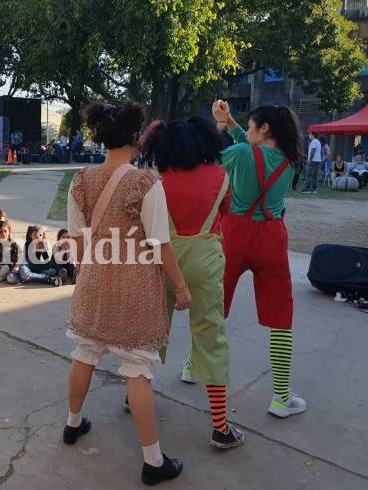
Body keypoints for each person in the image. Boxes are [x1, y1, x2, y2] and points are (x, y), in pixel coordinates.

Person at [65, 101, 189, 485]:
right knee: (137, 369)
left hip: (93, 281)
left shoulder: (80, 179)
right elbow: (160, 243)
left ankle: (72, 424)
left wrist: (88, 272)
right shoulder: (146, 182)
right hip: (135, 287)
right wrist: (181, 286)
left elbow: (77, 240)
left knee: (85, 352)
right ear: (136, 138)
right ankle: (153, 461)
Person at [141, 116, 244, 448]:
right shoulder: (220, 176)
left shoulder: (156, 180)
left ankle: (136, 393)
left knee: (152, 331)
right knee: (211, 336)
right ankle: (220, 426)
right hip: (206, 260)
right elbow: (225, 212)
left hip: (162, 261)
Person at [213, 100, 307, 418]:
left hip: (234, 236)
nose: (247, 131)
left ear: (264, 128)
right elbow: (252, 149)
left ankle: (193, 365)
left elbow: (213, 159)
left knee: (214, 309)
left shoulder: (241, 154)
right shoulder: (291, 161)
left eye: (252, 125)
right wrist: (233, 124)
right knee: (281, 317)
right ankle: (281, 397)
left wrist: (219, 126)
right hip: (272, 236)